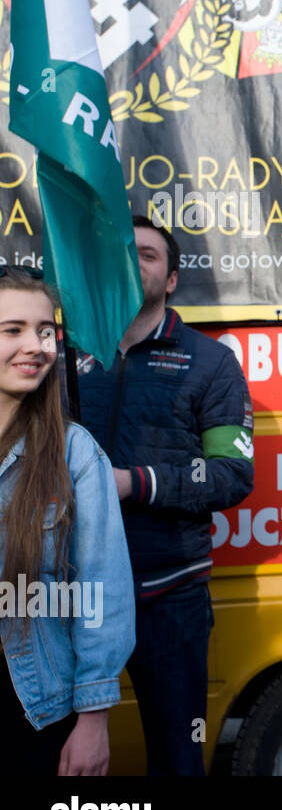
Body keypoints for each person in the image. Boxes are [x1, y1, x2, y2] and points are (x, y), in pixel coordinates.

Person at [79, 215, 255, 776]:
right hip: (69, 594)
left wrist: (135, 483)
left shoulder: (210, 361)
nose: (133, 263)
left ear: (173, 278)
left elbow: (232, 474)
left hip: (168, 593)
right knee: (63, 754)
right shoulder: (64, 352)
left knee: (178, 755)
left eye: (148, 255)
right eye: (123, 253)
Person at [0, 268, 135, 775]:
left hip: (35, 711)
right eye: (12, 330)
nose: (34, 345)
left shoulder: (75, 453)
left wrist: (94, 721)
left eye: (45, 330)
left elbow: (103, 592)